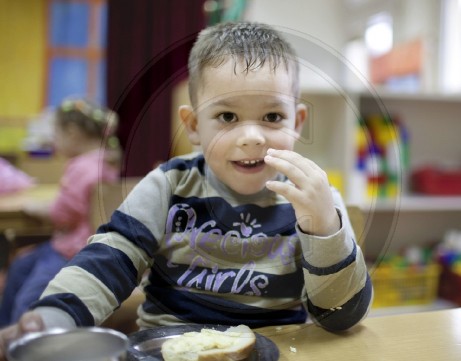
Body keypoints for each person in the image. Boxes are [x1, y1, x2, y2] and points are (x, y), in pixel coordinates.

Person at [0, 21, 372, 358]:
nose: (252, 137)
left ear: (297, 121)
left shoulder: (315, 201)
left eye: (273, 117)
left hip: (274, 350)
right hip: (165, 349)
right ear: (194, 126)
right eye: (227, 117)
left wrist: (324, 229)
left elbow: (341, 317)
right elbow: (110, 259)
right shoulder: (169, 184)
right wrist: (55, 314)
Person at [0, 98, 120, 328]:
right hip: (68, 243)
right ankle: (5, 332)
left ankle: (19, 339)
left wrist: (39, 208)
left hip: (74, 250)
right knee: (19, 266)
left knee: (27, 298)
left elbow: (62, 215)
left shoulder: (83, 167)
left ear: (73, 133)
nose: (53, 141)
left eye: (56, 134)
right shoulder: (101, 161)